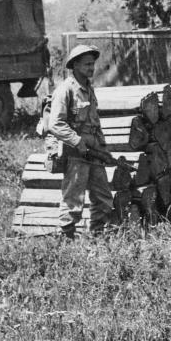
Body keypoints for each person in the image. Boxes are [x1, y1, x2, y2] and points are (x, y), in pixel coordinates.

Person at [45, 44, 114, 238]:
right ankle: (66, 240)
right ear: (74, 65)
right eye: (86, 64)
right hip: (75, 154)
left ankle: (97, 237)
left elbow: (95, 123)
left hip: (94, 152)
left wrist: (103, 149)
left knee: (103, 197)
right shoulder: (65, 90)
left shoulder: (89, 90)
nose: (91, 68)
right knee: (73, 199)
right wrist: (77, 142)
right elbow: (55, 124)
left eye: (92, 64)